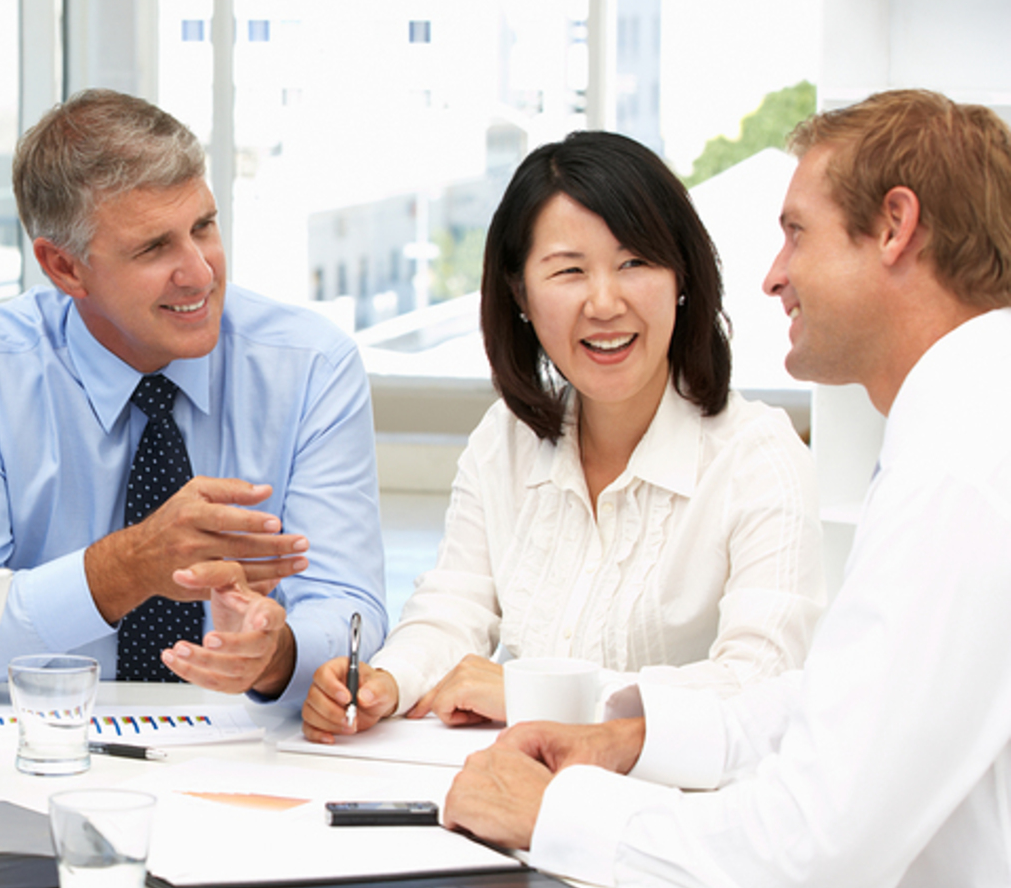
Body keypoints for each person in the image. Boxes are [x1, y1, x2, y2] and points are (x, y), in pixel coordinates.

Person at [446, 89, 1011, 888]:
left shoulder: (966, 463)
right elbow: (844, 701)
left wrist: (557, 811)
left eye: (796, 233)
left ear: (894, 227)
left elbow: (812, 846)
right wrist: (634, 737)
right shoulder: (963, 419)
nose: (773, 273)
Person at [301, 131, 823, 741]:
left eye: (634, 263)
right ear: (520, 294)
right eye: (569, 271)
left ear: (683, 275)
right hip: (515, 792)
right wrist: (385, 682)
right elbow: (455, 608)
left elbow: (761, 681)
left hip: (679, 812)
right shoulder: (506, 439)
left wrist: (536, 696)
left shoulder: (759, 456)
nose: (604, 303)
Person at [0, 88, 386, 700]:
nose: (201, 274)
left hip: (246, 755)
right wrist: (127, 568)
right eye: (155, 248)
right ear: (65, 268)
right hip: (38, 742)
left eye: (203, 227)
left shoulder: (311, 364)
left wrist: (275, 655)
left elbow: (351, 606)